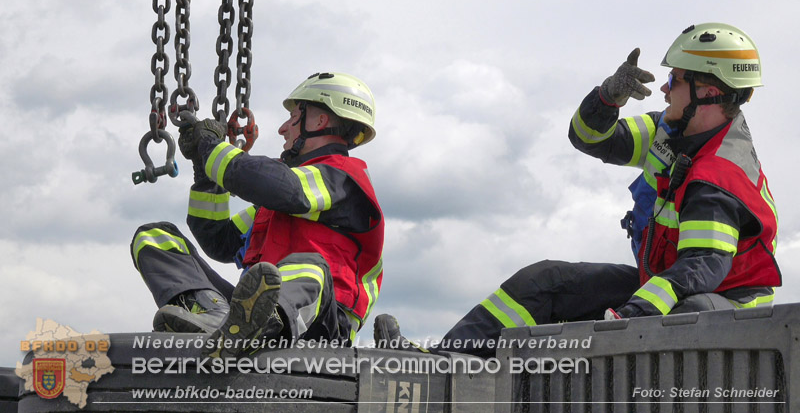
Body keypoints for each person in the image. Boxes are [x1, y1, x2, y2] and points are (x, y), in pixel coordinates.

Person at [375, 23, 779, 358]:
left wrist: (629, 315)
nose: (663, 88)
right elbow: (590, 138)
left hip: (725, 301)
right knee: (545, 282)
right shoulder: (667, 131)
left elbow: (700, 269)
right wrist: (608, 97)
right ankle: (442, 363)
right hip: (667, 283)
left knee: (683, 316)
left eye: (674, 79)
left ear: (707, 93)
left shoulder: (719, 177)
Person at [131, 72, 384, 358]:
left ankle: (260, 322)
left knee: (310, 266)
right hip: (245, 322)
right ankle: (212, 316)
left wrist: (211, 147)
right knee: (154, 238)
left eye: (292, 117)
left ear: (319, 120)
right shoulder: (281, 204)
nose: (282, 128)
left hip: (321, 328)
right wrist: (205, 172)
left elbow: (274, 184)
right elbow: (220, 241)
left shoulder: (344, 179)